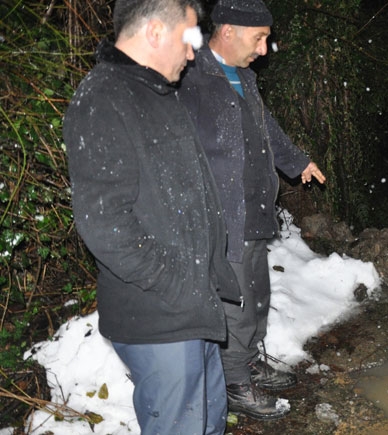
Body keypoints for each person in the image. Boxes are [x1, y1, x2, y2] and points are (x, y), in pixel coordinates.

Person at [62, 0, 241, 433]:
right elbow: (105, 224)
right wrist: (178, 284)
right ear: (156, 32)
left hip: (190, 309)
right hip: (160, 318)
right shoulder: (103, 99)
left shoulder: (157, 92)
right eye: (189, 38)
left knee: (209, 422)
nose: (193, 53)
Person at [179, 0, 326, 421]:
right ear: (227, 31)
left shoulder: (243, 77)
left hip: (256, 210)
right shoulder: (190, 76)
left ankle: (246, 363)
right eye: (258, 38)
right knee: (237, 305)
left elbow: (267, 129)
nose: (264, 50)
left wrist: (297, 161)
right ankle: (234, 383)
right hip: (225, 217)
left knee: (257, 296)